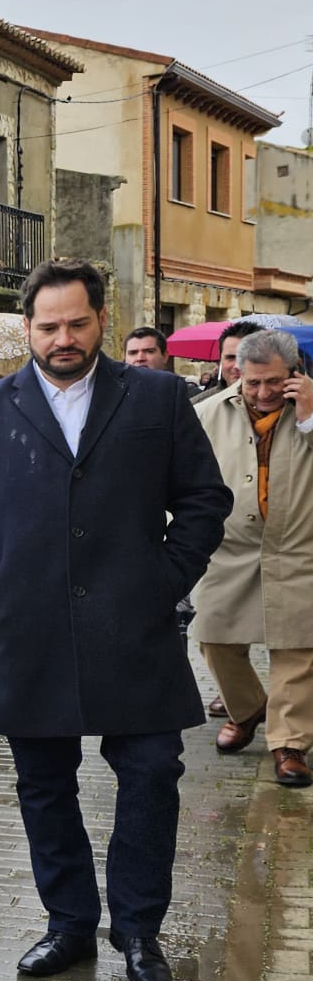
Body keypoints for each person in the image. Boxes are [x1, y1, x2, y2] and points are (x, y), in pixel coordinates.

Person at [0, 258, 230, 981]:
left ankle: (138, 930)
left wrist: (161, 582)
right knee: (43, 783)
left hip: (137, 629)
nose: (63, 338)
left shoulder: (157, 397)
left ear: (101, 319)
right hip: (29, 634)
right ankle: (67, 922)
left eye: (77, 323)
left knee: (154, 774)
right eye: (48, 325)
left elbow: (203, 502)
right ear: (26, 327)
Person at [189, 329, 313, 786]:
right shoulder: (205, 414)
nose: (263, 393)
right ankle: (249, 709)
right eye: (253, 382)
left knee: (297, 651)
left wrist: (310, 417)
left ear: (295, 374)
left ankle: (289, 744)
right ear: (237, 372)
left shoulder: (310, 410)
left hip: (300, 550)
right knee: (214, 637)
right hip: (228, 550)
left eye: (274, 383)